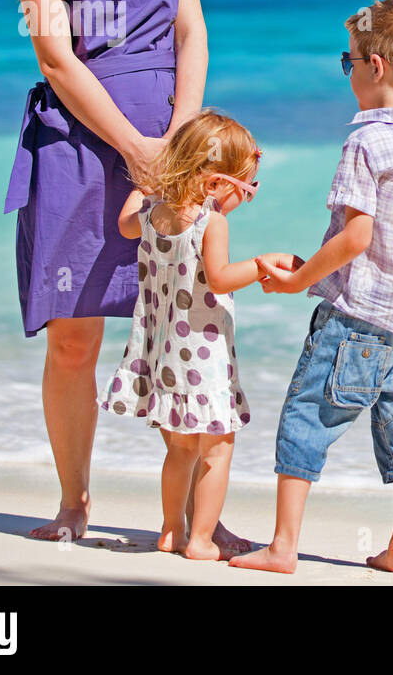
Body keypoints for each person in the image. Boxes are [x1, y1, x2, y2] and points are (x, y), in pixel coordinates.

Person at [7, 0, 246, 552]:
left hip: (170, 146)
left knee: (191, 327)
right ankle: (75, 504)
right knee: (75, 338)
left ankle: (192, 519)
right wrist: (135, 148)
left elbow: (191, 33)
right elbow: (55, 56)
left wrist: (180, 143)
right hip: (81, 144)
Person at [230, 0, 393, 575]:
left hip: (356, 316)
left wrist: (298, 281)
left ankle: (283, 547)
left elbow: (357, 236)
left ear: (375, 66)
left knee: (307, 419)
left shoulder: (366, 141)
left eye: (349, 60)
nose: (348, 72)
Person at [100, 110, 262, 560]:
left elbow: (124, 223)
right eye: (244, 189)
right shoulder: (212, 223)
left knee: (180, 449)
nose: (245, 199)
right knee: (217, 448)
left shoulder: (153, 215)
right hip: (203, 356)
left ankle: (171, 530)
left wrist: (146, 185)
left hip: (164, 354)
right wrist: (263, 265)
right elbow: (221, 277)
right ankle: (201, 540)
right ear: (213, 184)